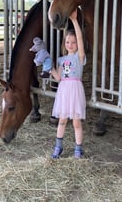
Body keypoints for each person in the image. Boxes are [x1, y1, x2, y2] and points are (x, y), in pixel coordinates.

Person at [50, 9, 86, 159]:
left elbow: (80, 37)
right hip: (64, 91)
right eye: (67, 42)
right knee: (62, 120)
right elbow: (58, 78)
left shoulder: (79, 57)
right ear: (64, 44)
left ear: (77, 44)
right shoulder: (61, 59)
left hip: (75, 90)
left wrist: (75, 21)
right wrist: (49, 66)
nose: (70, 44)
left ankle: (78, 149)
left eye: (73, 42)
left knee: (76, 122)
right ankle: (58, 146)